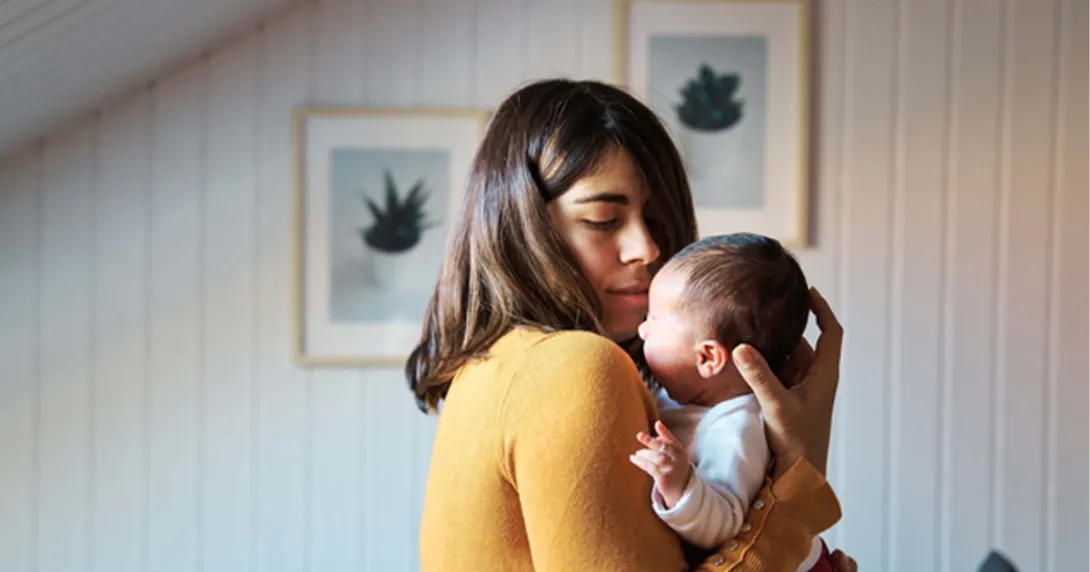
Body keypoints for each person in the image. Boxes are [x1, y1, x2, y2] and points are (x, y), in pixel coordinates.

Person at [407, 78, 856, 572]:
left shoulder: (490, 367)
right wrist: (798, 477)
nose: (648, 249)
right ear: (522, 225)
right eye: (603, 219)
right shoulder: (572, 367)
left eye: (658, 220)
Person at [631, 232, 833, 571]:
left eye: (654, 320)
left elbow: (724, 525)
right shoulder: (685, 396)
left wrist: (680, 484)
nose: (642, 331)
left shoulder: (736, 429)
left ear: (708, 357)